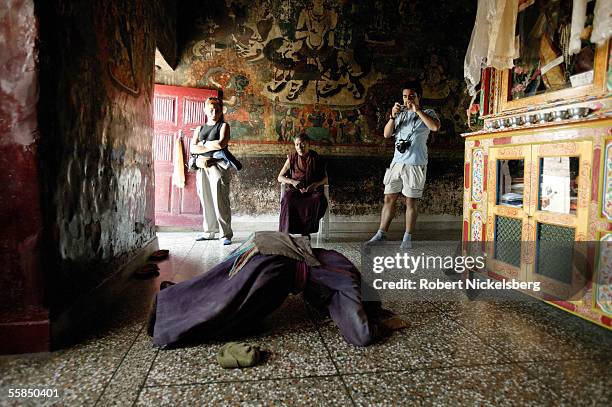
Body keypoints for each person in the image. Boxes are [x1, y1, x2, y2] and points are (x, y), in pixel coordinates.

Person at [148, 232, 403, 348]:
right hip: (275, 265)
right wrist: (384, 327)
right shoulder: (349, 282)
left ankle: (169, 299)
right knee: (228, 306)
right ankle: (170, 323)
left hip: (266, 242)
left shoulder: (341, 263)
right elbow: (361, 336)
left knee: (217, 283)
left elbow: (321, 295)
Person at [368, 81, 441, 249]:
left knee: (410, 202)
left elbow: (435, 127)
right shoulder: (399, 114)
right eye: (405, 96)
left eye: (411, 96)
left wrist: (418, 110)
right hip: (396, 163)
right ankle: (381, 234)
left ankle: (407, 238)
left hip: (415, 164)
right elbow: (386, 134)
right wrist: (393, 116)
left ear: (418, 97)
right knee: (388, 198)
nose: (407, 99)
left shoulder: (428, 112)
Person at [191, 97, 233, 245]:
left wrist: (202, 144)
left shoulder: (223, 126)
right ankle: (209, 232)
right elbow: (192, 148)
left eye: (217, 109)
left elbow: (221, 144)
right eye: (211, 109)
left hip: (218, 166)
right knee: (206, 200)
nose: (214, 112)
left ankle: (225, 234)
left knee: (220, 200)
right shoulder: (199, 128)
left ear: (221, 111)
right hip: (202, 166)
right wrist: (210, 145)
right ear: (205, 110)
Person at [277, 133, 328, 237]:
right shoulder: (292, 158)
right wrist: (293, 182)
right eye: (297, 145)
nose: (299, 147)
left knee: (318, 200)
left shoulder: (315, 158)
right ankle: (285, 233)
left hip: (312, 190)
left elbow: (326, 178)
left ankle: (306, 232)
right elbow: (280, 177)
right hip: (296, 190)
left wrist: (315, 185)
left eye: (303, 144)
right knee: (287, 199)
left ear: (309, 144)